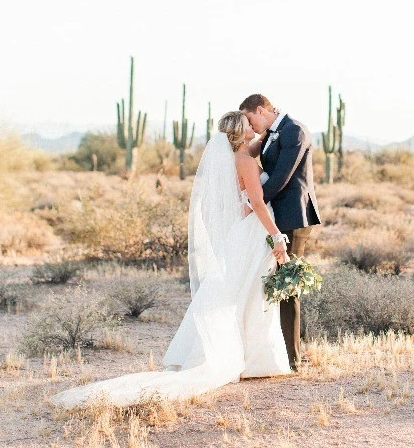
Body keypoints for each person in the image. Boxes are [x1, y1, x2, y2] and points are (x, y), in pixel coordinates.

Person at [49, 111, 292, 409]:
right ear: (241, 133)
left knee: (242, 291)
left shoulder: (236, 156)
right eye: (248, 125)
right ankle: (255, 360)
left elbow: (250, 157)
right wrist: (277, 236)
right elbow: (256, 202)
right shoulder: (244, 161)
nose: (254, 127)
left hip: (242, 233)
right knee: (252, 292)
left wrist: (266, 136)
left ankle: (247, 356)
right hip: (254, 232)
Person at [240, 94, 321, 371]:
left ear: (260, 110)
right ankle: (278, 351)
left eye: (250, 119)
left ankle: (293, 358)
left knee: (288, 286)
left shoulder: (295, 131)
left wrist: (253, 203)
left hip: (293, 217)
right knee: (274, 282)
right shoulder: (272, 134)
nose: (250, 125)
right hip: (275, 216)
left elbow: (281, 177)